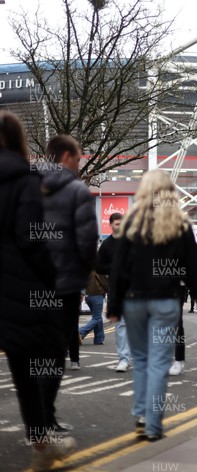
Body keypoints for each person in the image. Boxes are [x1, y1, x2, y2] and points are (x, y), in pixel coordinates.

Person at [107, 170, 197, 441]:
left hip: (133, 301)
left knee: (140, 360)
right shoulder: (180, 225)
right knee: (158, 363)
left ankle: (141, 415)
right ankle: (153, 425)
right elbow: (191, 266)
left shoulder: (130, 224)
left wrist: (114, 305)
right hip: (166, 301)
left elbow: (118, 269)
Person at [0, 112, 76, 471]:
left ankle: (43, 441)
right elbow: (32, 239)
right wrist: (52, 276)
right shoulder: (24, 180)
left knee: (22, 362)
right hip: (23, 290)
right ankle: (43, 439)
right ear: (19, 141)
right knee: (47, 354)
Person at [41, 135, 98, 425]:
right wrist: (84, 272)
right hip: (63, 285)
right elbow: (88, 241)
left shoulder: (27, 186)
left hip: (29, 284)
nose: (79, 165)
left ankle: (36, 415)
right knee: (55, 350)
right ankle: (45, 417)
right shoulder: (77, 191)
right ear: (65, 156)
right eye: (77, 158)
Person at [97, 212, 132, 372]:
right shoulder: (106, 245)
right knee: (121, 325)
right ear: (110, 225)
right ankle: (124, 359)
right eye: (117, 224)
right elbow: (98, 267)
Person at [79, 269, 107, 346]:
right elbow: (104, 282)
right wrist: (107, 289)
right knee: (97, 318)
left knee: (97, 317)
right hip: (97, 295)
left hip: (88, 297)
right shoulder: (98, 268)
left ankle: (99, 339)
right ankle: (81, 332)